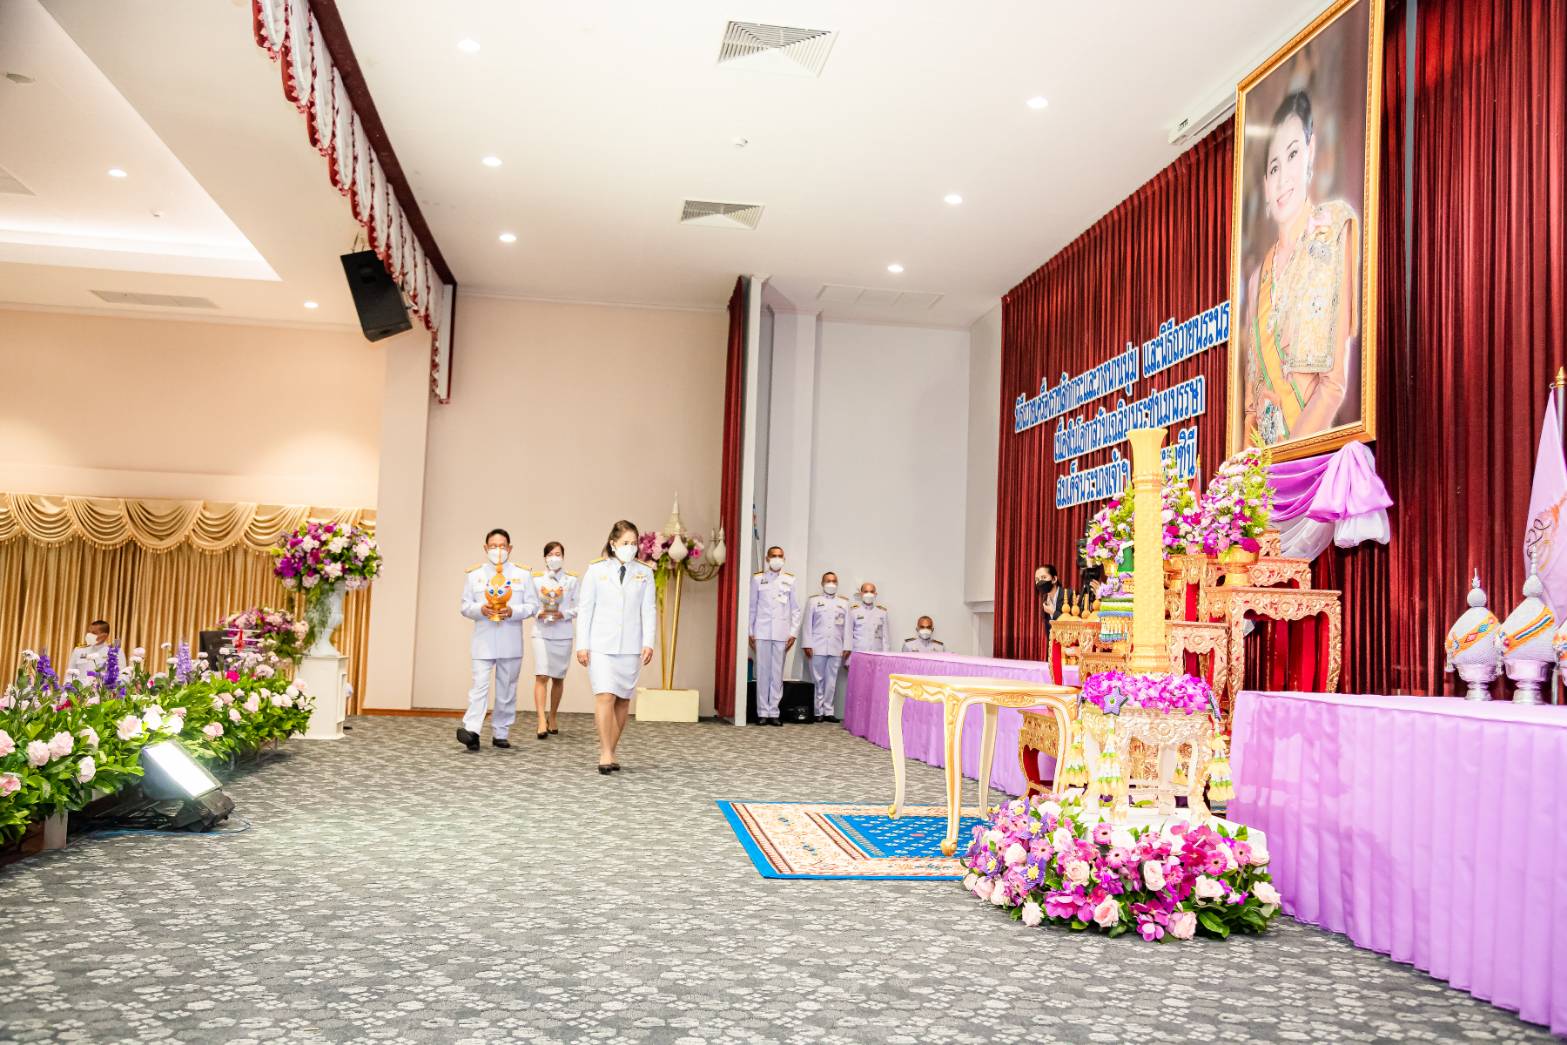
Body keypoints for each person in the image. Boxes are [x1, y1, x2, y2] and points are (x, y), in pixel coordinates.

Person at [1242, 89, 1360, 448]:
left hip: (1311, 461)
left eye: (1293, 154)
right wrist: (1250, 474)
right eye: (1273, 167)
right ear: (1265, 185)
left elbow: (1332, 384)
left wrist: (1287, 462)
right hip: (1265, 471)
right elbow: (1251, 409)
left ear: (1311, 151)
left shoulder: (1333, 232)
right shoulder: (1258, 279)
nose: (1282, 179)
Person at [576, 520, 655, 774]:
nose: (630, 547)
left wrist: (648, 642)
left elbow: (649, 610)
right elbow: (585, 609)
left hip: (630, 645)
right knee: (605, 696)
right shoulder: (595, 570)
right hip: (601, 645)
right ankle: (605, 752)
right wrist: (582, 644)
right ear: (613, 543)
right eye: (625, 543)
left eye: (634, 543)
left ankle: (611, 748)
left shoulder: (645, 572)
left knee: (622, 700)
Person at [458, 528, 540, 752]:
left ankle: (501, 732)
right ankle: (472, 731)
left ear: (510, 548)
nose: (498, 550)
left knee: (507, 688)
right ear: (485, 548)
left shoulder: (522, 574)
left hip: (510, 640)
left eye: (502, 546)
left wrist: (513, 611)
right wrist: (480, 609)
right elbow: (465, 606)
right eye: (493, 546)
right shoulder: (474, 575)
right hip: (483, 641)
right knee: (479, 686)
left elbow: (533, 606)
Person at [529, 541, 579, 740]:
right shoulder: (535, 580)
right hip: (541, 633)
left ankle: (553, 716)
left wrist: (564, 614)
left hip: (563, 633)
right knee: (541, 675)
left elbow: (580, 606)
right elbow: (530, 604)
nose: (554, 557)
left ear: (563, 557)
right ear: (545, 558)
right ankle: (541, 719)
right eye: (550, 554)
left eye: (558, 554)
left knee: (558, 677)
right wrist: (538, 613)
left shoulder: (571, 580)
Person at [748, 545, 800, 727]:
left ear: (783, 559)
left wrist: (793, 633)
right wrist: (750, 631)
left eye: (780, 556)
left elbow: (795, 609)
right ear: (767, 558)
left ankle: (774, 712)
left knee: (777, 674)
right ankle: (762, 712)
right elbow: (752, 607)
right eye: (774, 555)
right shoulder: (758, 579)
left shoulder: (790, 580)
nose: (777, 558)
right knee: (763, 673)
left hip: (781, 633)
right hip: (762, 631)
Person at [801, 571, 852, 723]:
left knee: (832, 681)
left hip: (836, 647)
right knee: (818, 679)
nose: (831, 583)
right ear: (822, 583)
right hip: (817, 646)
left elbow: (848, 627)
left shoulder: (844, 603)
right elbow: (807, 624)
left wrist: (847, 646)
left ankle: (829, 711)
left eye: (834, 581)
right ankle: (818, 711)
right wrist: (807, 644)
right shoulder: (813, 601)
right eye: (828, 581)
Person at [847, 581, 889, 663]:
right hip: (858, 655)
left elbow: (885, 638)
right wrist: (848, 660)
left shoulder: (882, 613)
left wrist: (886, 657)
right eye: (866, 592)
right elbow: (849, 636)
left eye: (871, 592)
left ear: (875, 594)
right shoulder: (853, 612)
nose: (869, 594)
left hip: (877, 655)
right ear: (861, 594)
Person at [1035, 564, 1066, 647]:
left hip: (1069, 648)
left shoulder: (1069, 595)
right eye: (1037, 579)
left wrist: (1053, 612)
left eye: (1043, 577)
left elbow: (1074, 624)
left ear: (1054, 579)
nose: (1040, 582)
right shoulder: (1045, 600)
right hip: (1053, 647)